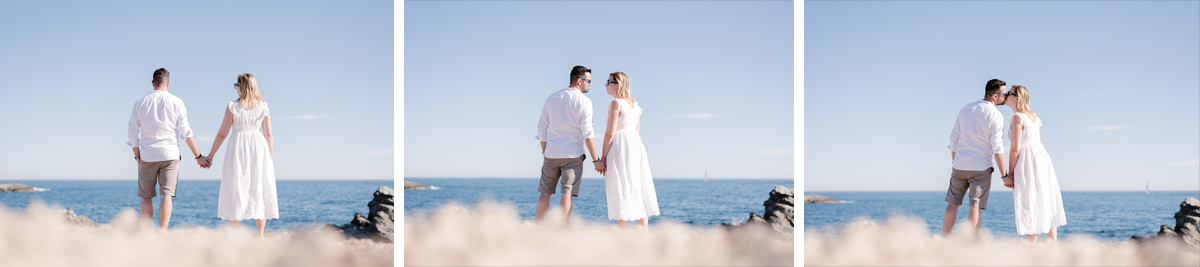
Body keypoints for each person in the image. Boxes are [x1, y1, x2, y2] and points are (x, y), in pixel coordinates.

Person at [126, 68, 209, 229]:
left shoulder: (140, 102)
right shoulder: (177, 102)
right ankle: (162, 233)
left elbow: (132, 133)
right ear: (168, 83)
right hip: (170, 155)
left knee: (146, 197)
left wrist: (137, 156)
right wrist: (198, 156)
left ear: (152, 83)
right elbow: (186, 133)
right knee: (166, 197)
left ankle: (146, 233)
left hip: (147, 155)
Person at [204, 73, 278, 238]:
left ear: (242, 87)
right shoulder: (263, 106)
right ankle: (260, 235)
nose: (235, 88)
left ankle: (235, 235)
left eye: (236, 85)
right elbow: (269, 135)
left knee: (236, 185)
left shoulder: (233, 106)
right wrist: (269, 160)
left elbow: (222, 133)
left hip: (237, 147)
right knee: (259, 185)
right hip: (258, 148)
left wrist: (211, 155)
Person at [535, 65, 603, 224]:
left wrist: (544, 148)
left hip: (551, 153)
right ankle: (561, 230)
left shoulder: (552, 98)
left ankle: (537, 228)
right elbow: (588, 132)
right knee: (566, 194)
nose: (590, 84)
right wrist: (596, 159)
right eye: (588, 81)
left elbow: (541, 126)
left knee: (545, 194)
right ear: (580, 81)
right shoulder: (585, 101)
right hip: (572, 155)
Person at [943, 79, 1009, 237]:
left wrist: (956, 159)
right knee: (975, 207)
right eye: (1004, 94)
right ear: (994, 96)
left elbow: (954, 138)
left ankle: (943, 239)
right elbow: (997, 147)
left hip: (959, 164)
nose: (1006, 97)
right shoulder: (996, 115)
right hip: (980, 167)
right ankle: (970, 243)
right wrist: (1004, 175)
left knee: (952, 205)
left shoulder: (966, 109)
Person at [1000, 85, 1067, 242]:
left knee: (1029, 200)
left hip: (1028, 160)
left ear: (1016, 98)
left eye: (1009, 93)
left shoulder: (1017, 118)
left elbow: (1015, 149)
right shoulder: (1032, 116)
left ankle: (1032, 246)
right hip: (1041, 158)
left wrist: (1010, 173)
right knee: (1045, 198)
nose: (1006, 95)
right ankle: (1053, 245)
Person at [597, 72, 659, 229]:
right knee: (637, 184)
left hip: (620, 146)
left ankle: (622, 231)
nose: (605, 85)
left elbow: (610, 133)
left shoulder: (615, 104)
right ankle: (644, 231)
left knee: (621, 185)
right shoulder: (634, 105)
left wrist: (603, 158)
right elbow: (636, 131)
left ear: (617, 85)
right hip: (635, 146)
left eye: (608, 81)